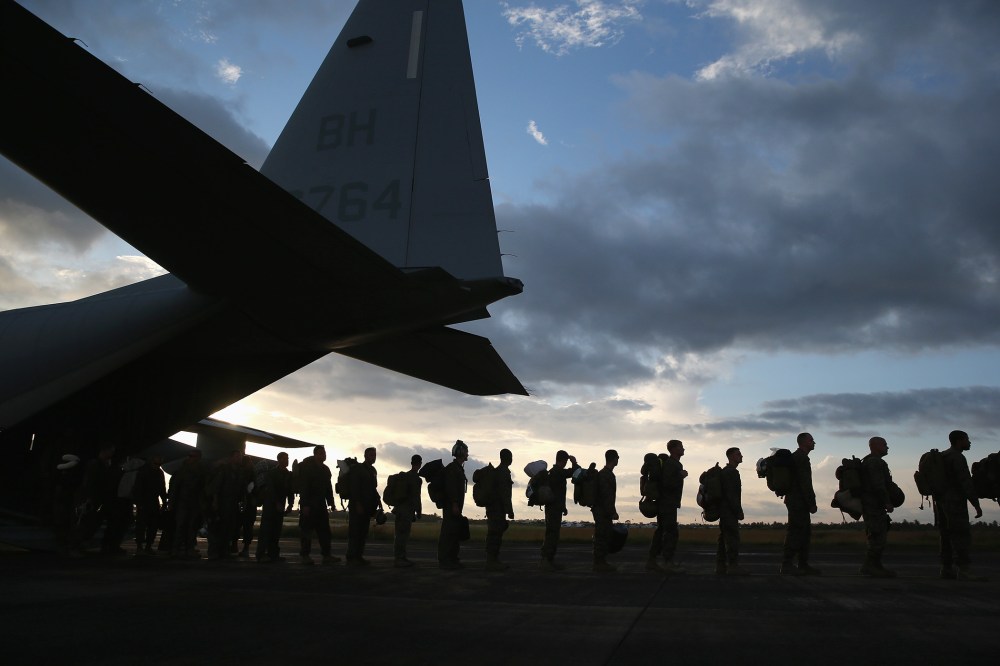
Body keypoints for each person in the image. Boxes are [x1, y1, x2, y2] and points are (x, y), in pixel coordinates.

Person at [935, 430, 987, 581]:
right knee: (961, 534)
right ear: (959, 441)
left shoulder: (943, 456)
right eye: (967, 439)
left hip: (941, 501)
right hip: (955, 502)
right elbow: (966, 483)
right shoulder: (957, 457)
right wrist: (976, 504)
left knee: (945, 535)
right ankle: (964, 570)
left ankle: (946, 568)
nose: (969, 442)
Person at [781, 433, 820, 575]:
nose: (814, 442)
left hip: (795, 499)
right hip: (798, 501)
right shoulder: (801, 458)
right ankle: (788, 564)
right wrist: (812, 502)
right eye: (811, 440)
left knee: (803, 532)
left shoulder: (796, 457)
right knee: (796, 532)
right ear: (803, 442)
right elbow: (805, 483)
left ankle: (802, 564)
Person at [859, 436, 896, 577]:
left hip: (872, 504)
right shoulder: (874, 462)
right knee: (877, 535)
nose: (887, 447)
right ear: (875, 446)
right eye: (885, 444)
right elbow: (878, 485)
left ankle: (875, 565)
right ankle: (870, 566)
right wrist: (887, 501)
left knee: (877, 534)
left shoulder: (870, 461)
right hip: (873, 504)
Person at [649, 440, 687, 573]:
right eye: (681, 447)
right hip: (667, 503)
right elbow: (667, 484)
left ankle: (652, 561)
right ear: (673, 449)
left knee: (661, 532)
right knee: (670, 532)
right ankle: (667, 562)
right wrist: (680, 476)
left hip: (667, 503)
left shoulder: (674, 464)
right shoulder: (672, 464)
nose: (683, 449)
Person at [297, 445, 339, 565]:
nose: (323, 455)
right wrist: (305, 504)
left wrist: (331, 503)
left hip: (321, 505)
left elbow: (328, 488)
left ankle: (327, 555)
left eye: (324, 453)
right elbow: (304, 487)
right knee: (306, 531)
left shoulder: (326, 469)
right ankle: (305, 555)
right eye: (320, 453)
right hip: (309, 504)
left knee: (325, 531)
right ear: (315, 454)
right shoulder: (307, 468)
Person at [540, 450, 579, 571]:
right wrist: (575, 463)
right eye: (566, 461)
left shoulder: (554, 472)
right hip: (553, 509)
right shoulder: (557, 472)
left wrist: (563, 507)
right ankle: (546, 561)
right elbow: (574, 472)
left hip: (555, 507)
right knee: (552, 534)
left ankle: (549, 560)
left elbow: (558, 493)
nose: (567, 463)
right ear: (563, 460)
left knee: (552, 534)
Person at [256, 452, 294, 563]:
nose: (287, 460)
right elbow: (271, 490)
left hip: (280, 506)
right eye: (285, 458)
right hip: (270, 506)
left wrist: (290, 504)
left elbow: (290, 491)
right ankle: (261, 554)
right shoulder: (271, 473)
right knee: (266, 531)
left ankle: (273, 554)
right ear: (279, 460)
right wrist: (277, 503)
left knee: (276, 531)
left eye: (288, 458)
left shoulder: (288, 474)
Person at [205, 449, 243, 560]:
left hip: (233, 503)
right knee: (217, 528)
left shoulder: (239, 471)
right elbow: (216, 487)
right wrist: (215, 501)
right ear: (231, 458)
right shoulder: (224, 470)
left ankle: (224, 550)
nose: (239, 458)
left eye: (240, 457)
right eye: (236, 456)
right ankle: (214, 552)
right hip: (222, 502)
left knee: (229, 528)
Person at [346, 447, 382, 566]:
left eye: (374, 455)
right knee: (355, 532)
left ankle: (359, 556)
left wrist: (378, 502)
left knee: (363, 533)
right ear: (365, 456)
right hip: (358, 506)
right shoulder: (358, 469)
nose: (373, 457)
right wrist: (357, 504)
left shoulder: (372, 470)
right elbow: (354, 488)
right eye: (371, 455)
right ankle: (351, 557)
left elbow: (373, 488)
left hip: (367, 506)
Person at [717, 447, 749, 575]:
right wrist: (738, 511)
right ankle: (733, 566)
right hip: (729, 511)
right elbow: (732, 495)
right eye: (738, 454)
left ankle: (720, 566)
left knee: (723, 538)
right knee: (732, 538)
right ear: (731, 457)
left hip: (724, 510)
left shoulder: (726, 471)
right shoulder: (731, 472)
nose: (741, 456)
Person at [481, 448, 514, 571]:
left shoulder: (497, 471)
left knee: (494, 533)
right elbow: (505, 494)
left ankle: (493, 559)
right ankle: (491, 561)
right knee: (495, 534)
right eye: (511, 457)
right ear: (508, 458)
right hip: (497, 509)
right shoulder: (503, 472)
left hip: (493, 508)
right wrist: (509, 510)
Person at [438, 440, 469, 569]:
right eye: (466, 451)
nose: (467, 454)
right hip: (451, 506)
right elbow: (451, 488)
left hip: (455, 506)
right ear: (461, 452)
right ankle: (445, 561)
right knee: (448, 533)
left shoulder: (458, 468)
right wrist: (454, 504)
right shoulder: (452, 469)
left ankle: (453, 559)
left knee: (455, 533)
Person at [170, 449, 205, 559]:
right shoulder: (182, 471)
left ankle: (188, 549)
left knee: (192, 527)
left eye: (194, 456)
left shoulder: (201, 471)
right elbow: (174, 488)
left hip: (194, 503)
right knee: (181, 526)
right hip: (183, 503)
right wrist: (172, 502)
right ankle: (176, 549)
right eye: (190, 456)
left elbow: (203, 488)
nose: (191, 458)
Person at [133, 455, 167, 555]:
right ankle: (140, 547)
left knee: (153, 525)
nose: (158, 466)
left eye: (159, 464)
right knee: (141, 525)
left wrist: (164, 501)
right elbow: (138, 488)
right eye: (156, 463)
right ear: (151, 462)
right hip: (144, 502)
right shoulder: (143, 472)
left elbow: (162, 488)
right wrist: (139, 503)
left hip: (153, 502)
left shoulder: (159, 472)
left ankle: (147, 546)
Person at [392, 454, 423, 567]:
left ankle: (399, 557)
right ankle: (400, 558)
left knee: (399, 534)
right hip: (407, 511)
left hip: (400, 509)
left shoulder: (404, 477)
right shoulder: (417, 479)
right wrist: (418, 511)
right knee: (403, 535)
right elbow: (416, 497)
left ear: (411, 463)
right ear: (420, 464)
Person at [592, 449, 619, 573]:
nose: (618, 460)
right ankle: (599, 563)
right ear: (614, 458)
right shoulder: (605, 474)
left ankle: (601, 561)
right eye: (617, 457)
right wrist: (612, 511)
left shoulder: (606, 474)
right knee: (601, 536)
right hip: (602, 511)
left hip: (603, 510)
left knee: (604, 535)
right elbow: (606, 495)